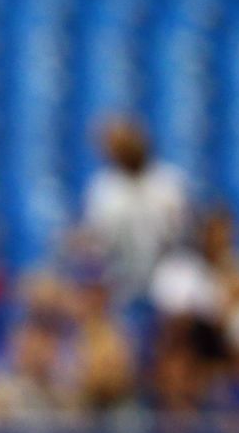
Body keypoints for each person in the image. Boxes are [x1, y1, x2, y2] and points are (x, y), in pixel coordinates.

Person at [80, 116, 192, 302]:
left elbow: (183, 233)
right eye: (117, 146)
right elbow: (95, 240)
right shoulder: (103, 189)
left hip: (166, 270)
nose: (125, 149)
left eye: (128, 142)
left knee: (180, 287)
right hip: (117, 272)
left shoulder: (169, 182)